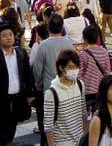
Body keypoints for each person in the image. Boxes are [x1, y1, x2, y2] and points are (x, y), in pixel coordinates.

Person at [32, 14, 76, 145]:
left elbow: (37, 69)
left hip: (49, 89)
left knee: (48, 124)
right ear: (62, 27)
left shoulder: (43, 45)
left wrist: (37, 83)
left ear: (48, 27)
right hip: (67, 87)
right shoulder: (69, 43)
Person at [43, 49, 88, 146]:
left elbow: (83, 113)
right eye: (71, 67)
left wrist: (85, 136)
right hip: (62, 142)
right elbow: (48, 125)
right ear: (61, 68)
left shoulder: (80, 85)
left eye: (76, 67)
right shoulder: (52, 93)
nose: (74, 70)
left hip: (80, 139)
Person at [79, 25, 112, 113]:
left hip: (87, 91)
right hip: (100, 90)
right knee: (98, 114)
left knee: (86, 115)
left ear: (84, 38)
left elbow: (79, 75)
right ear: (97, 38)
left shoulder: (82, 54)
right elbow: (107, 72)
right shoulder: (104, 52)